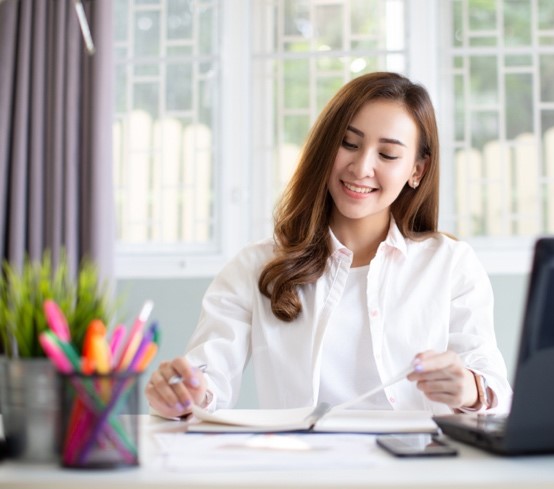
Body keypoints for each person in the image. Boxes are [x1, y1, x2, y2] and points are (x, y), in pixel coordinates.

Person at [145, 71, 512, 418]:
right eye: (348, 144)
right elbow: (208, 377)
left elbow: (496, 390)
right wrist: (183, 392)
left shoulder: (450, 264)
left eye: (387, 154)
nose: (361, 167)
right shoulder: (256, 266)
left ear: (417, 170)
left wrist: (470, 388)